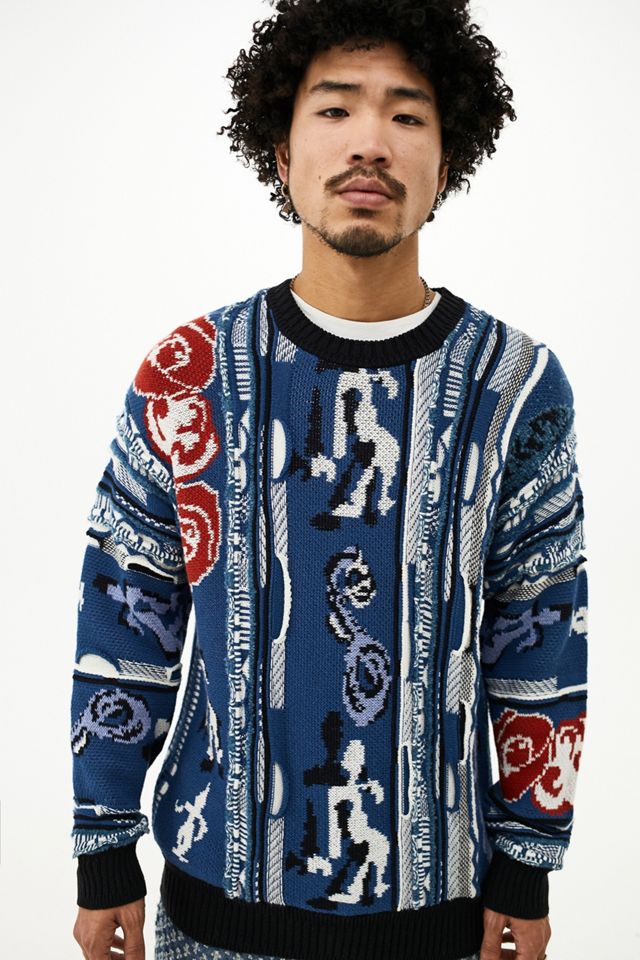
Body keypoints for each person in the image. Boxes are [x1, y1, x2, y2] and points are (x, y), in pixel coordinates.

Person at [70, 2, 588, 959]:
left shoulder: (516, 386)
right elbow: (125, 619)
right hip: (211, 919)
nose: (370, 143)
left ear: (446, 161)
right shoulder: (185, 374)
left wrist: (528, 861)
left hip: (444, 923)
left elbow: (543, 630)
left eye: (407, 114)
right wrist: (102, 849)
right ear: (282, 151)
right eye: (336, 108)